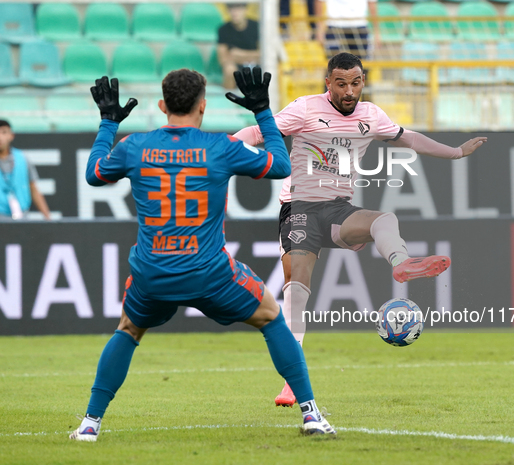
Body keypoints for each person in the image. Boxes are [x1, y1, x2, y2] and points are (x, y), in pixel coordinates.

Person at [69, 67, 335, 441]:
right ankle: (311, 415)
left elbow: (95, 174)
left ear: (162, 105)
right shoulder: (220, 147)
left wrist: (108, 123)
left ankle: (89, 424)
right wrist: (262, 112)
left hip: (152, 273)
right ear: (203, 106)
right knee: (272, 317)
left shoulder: (134, 146)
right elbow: (282, 165)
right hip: (209, 273)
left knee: (128, 330)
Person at [233, 52, 487, 407]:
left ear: (363, 82)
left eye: (355, 83)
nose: (349, 91)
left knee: (385, 219)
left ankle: (400, 262)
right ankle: (293, 382)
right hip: (300, 208)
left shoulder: (371, 115)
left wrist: (456, 153)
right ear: (328, 83)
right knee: (297, 289)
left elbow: (410, 139)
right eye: (341, 84)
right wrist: (222, 149)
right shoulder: (305, 109)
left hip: (338, 210)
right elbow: (260, 131)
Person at [0, 120, 51, 220]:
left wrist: (48, 218)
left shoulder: (22, 158)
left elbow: (33, 189)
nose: (0, 137)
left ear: (11, 136)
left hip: (21, 217)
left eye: (4, 132)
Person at [314, 0, 379, 59]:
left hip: (359, 25)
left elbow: (372, 4)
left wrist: (377, 32)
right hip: (335, 25)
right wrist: (320, 30)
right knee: (334, 63)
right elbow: (319, 3)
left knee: (362, 64)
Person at [217, 3, 259, 90]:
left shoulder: (257, 26)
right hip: (236, 66)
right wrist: (252, 56)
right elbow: (223, 59)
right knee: (229, 69)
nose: (234, 12)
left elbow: (266, 53)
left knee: (272, 67)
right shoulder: (223, 29)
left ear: (245, 9)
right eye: (231, 9)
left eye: (238, 8)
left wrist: (239, 54)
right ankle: (229, 100)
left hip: (257, 64)